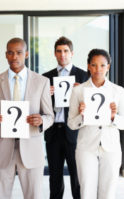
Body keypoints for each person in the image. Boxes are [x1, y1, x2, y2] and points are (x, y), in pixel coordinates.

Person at [0, 37, 54, 199]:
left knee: (34, 196)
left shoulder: (42, 82)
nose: (14, 56)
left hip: (32, 148)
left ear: (26, 54)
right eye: (10, 53)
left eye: (18, 53)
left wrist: (41, 121)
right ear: (6, 55)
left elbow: (50, 116)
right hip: (2, 148)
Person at [68, 49, 124, 199]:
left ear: (108, 67)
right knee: (86, 191)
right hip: (86, 147)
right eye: (94, 65)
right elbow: (72, 124)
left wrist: (113, 117)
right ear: (88, 66)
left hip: (111, 147)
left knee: (108, 192)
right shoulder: (78, 91)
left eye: (102, 65)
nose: (98, 69)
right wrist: (82, 116)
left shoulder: (118, 91)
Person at [42, 36, 88, 199]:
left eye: (66, 51)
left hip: (75, 133)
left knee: (77, 177)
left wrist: (81, 92)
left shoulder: (83, 76)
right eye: (59, 51)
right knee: (54, 177)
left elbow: (90, 107)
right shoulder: (45, 78)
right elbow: (40, 106)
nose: (63, 54)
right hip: (54, 132)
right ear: (55, 53)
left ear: (72, 53)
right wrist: (47, 95)